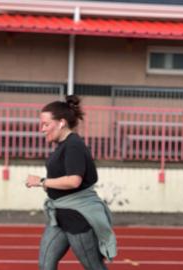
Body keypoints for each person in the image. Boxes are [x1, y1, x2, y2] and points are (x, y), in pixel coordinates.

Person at [25, 95, 117, 270]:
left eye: (46, 124)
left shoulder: (73, 145)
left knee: (94, 267)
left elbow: (74, 181)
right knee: (46, 265)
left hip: (77, 218)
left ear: (61, 122)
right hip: (59, 216)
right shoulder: (63, 145)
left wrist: (42, 181)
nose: (41, 129)